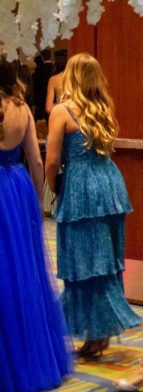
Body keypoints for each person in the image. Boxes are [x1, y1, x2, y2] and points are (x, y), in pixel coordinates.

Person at [45, 53, 141, 358]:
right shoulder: (104, 109)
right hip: (109, 185)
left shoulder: (61, 111)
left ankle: (92, 332)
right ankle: (98, 332)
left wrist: (55, 186)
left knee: (80, 261)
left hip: (81, 187)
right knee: (104, 261)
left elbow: (52, 160)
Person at [0, 56, 71, 391]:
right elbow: (37, 161)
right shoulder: (22, 108)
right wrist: (39, 206)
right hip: (16, 190)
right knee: (21, 274)